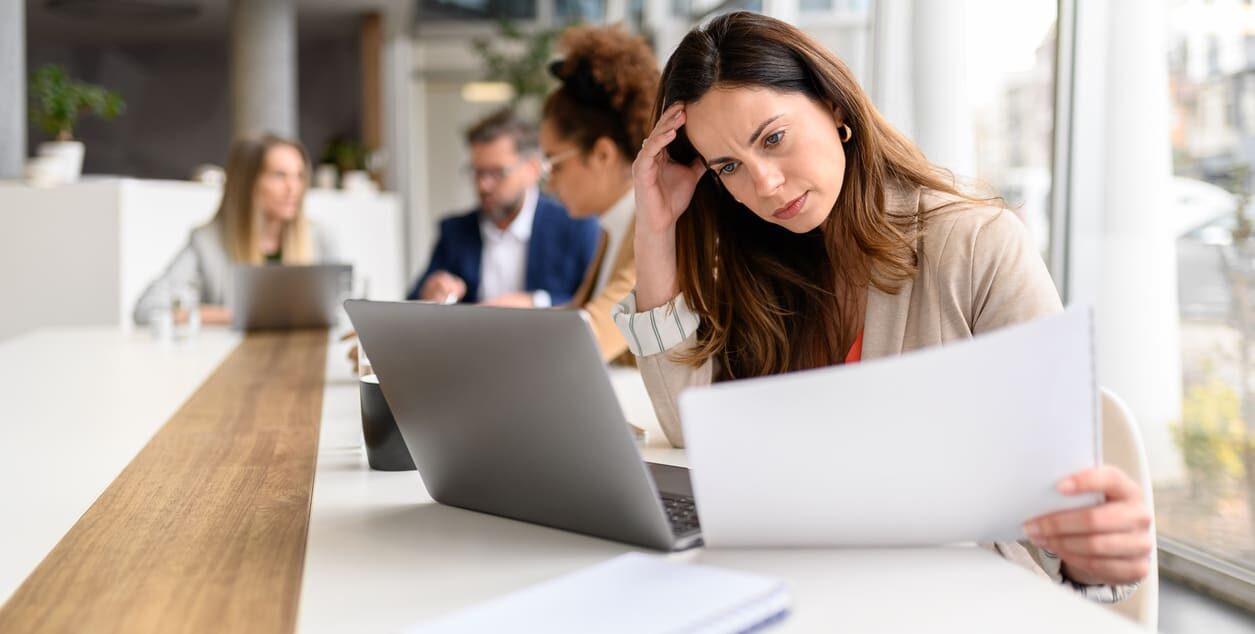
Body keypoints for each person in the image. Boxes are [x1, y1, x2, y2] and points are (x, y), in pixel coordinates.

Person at [615, 12, 1151, 601]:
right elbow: (689, 428)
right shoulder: (763, 267)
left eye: (773, 138)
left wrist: (1094, 555)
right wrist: (656, 231)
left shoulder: (977, 246)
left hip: (948, 601)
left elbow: (1062, 518)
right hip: (811, 589)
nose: (763, 184)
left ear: (835, 108)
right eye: (729, 167)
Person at [539, 24, 659, 361]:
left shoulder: (660, 229)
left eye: (555, 163)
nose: (549, 184)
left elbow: (588, 339)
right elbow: (577, 319)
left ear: (602, 154)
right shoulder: (614, 229)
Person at [134, 133, 337, 325]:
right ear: (248, 183)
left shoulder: (320, 237)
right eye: (279, 175)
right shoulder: (207, 242)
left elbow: (341, 310)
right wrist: (233, 316)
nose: (293, 188)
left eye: (299, 176)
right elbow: (147, 309)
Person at [409, 109, 599, 307]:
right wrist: (430, 291)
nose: (483, 185)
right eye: (477, 172)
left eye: (497, 173)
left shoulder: (575, 226)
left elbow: (597, 304)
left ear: (532, 169)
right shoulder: (455, 232)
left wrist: (535, 302)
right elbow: (411, 303)